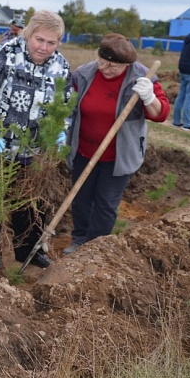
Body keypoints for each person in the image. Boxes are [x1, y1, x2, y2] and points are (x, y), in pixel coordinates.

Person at [0, 10, 70, 270]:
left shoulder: (61, 66)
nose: (44, 48)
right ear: (28, 34)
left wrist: (60, 128)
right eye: (39, 40)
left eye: (51, 42)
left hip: (30, 147)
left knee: (31, 198)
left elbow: (64, 103)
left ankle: (28, 250)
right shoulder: (4, 54)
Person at [63, 34, 170, 255]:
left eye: (114, 66)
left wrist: (149, 98)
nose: (107, 69)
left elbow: (161, 115)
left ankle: (94, 247)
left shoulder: (142, 78)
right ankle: (79, 239)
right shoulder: (83, 74)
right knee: (81, 198)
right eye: (103, 63)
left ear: (127, 65)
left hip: (119, 156)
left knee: (106, 203)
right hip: (84, 150)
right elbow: (67, 108)